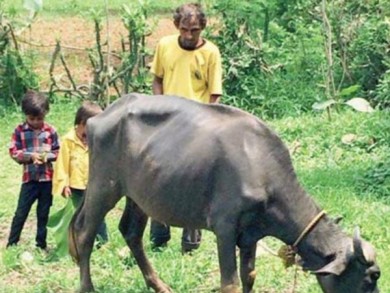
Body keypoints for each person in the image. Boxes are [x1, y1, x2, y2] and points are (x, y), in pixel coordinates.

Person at [149, 2, 223, 253]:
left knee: (194, 181)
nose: (189, 35)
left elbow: (214, 95)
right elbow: (157, 80)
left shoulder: (211, 53)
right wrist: (159, 107)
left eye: (194, 30)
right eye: (184, 29)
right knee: (158, 176)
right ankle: (158, 237)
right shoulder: (165, 46)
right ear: (176, 26)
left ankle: (190, 243)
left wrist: (208, 123)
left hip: (196, 125)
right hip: (167, 121)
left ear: (202, 27)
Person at [7, 90, 60, 250]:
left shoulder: (51, 131)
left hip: (46, 180)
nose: (36, 122)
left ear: (46, 114)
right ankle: (12, 243)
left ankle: (41, 244)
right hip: (29, 180)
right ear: (25, 115)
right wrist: (30, 157)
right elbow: (14, 152)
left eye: (40, 118)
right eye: (32, 118)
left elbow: (58, 152)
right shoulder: (19, 131)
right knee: (21, 212)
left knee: (43, 214)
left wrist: (46, 157)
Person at [52, 101, 108, 246]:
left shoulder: (97, 140)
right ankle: (79, 241)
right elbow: (62, 165)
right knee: (80, 215)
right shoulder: (68, 141)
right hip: (76, 186)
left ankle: (102, 242)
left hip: (94, 185)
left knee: (98, 214)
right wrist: (64, 184)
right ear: (81, 123)